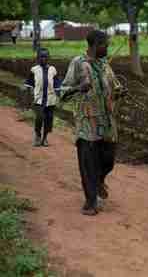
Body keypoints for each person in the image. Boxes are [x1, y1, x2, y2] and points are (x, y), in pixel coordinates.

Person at [60, 30, 125, 216]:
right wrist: (78, 88)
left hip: (107, 122)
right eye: (105, 44)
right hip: (87, 123)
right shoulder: (78, 63)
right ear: (95, 44)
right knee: (88, 163)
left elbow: (113, 87)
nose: (108, 47)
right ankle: (90, 202)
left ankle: (98, 181)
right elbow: (62, 91)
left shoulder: (104, 64)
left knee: (109, 160)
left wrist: (120, 92)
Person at [24, 48, 61, 147]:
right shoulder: (34, 70)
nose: (43, 59)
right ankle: (37, 135)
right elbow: (29, 85)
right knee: (40, 117)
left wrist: (59, 96)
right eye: (41, 56)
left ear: (49, 58)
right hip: (39, 99)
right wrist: (28, 100)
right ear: (37, 58)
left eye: (45, 56)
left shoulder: (53, 70)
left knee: (49, 119)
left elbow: (57, 85)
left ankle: (45, 138)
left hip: (50, 100)